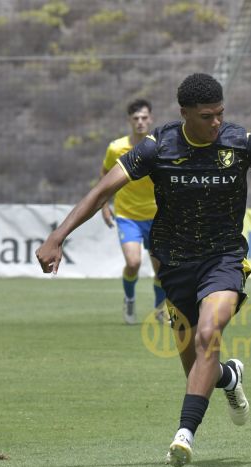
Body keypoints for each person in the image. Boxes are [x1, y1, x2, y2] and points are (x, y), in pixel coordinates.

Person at [36, 73, 251, 467]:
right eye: (207, 116)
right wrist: (58, 235)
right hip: (173, 263)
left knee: (209, 334)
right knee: (198, 367)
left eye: (220, 114)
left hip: (224, 259)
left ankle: (183, 436)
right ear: (185, 114)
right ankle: (229, 377)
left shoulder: (239, 141)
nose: (216, 122)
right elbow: (102, 191)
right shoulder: (158, 146)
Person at [99, 99, 167, 323]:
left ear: (151, 119)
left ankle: (160, 308)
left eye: (144, 118)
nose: (140, 122)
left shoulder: (160, 146)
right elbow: (105, 175)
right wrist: (104, 206)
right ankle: (129, 300)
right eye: (136, 118)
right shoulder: (116, 148)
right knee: (133, 263)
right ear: (129, 121)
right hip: (128, 215)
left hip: (158, 216)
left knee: (161, 269)